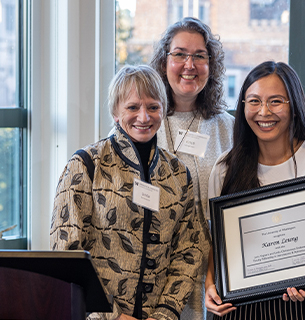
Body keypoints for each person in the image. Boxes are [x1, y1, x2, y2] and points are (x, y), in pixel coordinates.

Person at [50, 65, 209, 320]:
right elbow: (67, 251)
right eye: (133, 107)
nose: (144, 117)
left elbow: (189, 250)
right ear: (116, 112)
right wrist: (113, 316)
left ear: (163, 110)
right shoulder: (86, 164)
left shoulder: (178, 174)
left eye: (153, 107)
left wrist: (165, 314)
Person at [205, 61, 305, 320]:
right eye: (253, 101)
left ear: (295, 106)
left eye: (276, 101)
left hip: (303, 306)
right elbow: (217, 241)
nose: (264, 112)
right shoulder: (224, 168)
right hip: (237, 309)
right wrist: (210, 284)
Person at [150, 18, 234, 320]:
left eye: (199, 56)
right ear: (163, 62)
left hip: (218, 274)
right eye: (180, 54)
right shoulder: (141, 123)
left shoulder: (228, 128)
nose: (190, 64)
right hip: (158, 275)